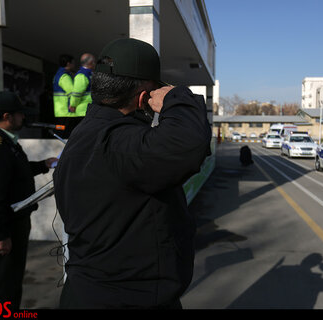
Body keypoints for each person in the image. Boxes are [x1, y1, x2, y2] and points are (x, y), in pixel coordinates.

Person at [53, 38, 211, 309]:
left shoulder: (84, 134)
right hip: (127, 298)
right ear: (143, 97)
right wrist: (178, 98)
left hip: (89, 291)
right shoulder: (121, 143)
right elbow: (189, 144)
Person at [0, 91, 58, 309]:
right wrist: (2, 236)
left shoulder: (5, 141)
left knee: (12, 283)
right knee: (5, 286)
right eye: (21, 115)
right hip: (6, 227)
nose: (24, 119)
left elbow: (15, 171)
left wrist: (43, 165)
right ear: (7, 116)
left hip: (15, 222)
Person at [52, 54, 75, 138]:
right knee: (65, 134)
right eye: (73, 63)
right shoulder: (64, 76)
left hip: (60, 109)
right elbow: (72, 92)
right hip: (66, 110)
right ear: (68, 64)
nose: (74, 65)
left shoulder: (58, 74)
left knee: (60, 131)